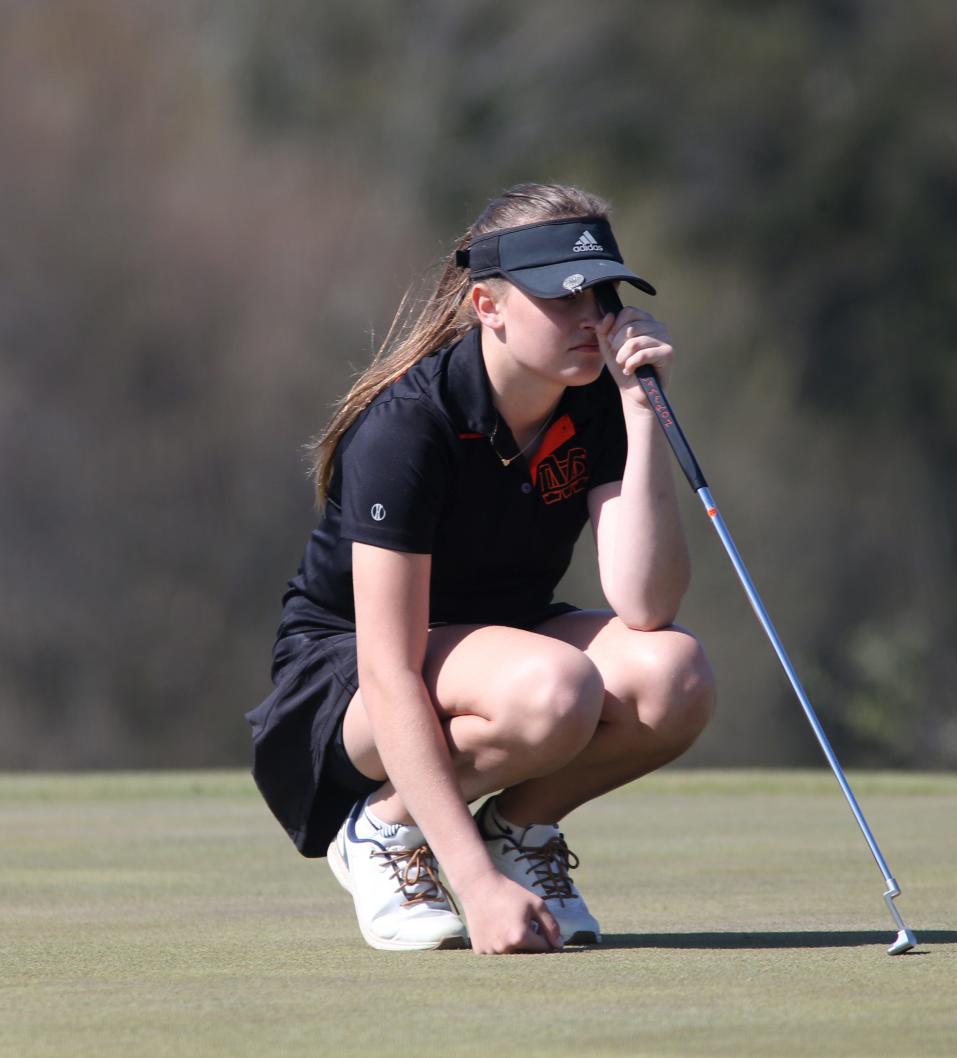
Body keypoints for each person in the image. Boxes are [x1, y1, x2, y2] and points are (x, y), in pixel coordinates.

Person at [246, 182, 715, 955]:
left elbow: (644, 602)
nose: (591, 319)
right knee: (556, 689)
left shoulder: (594, 398)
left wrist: (641, 413)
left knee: (678, 677)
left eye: (602, 294)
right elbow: (389, 666)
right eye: (562, 299)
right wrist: (472, 885)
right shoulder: (408, 427)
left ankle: (520, 833)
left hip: (506, 645)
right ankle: (384, 836)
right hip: (346, 684)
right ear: (486, 306)